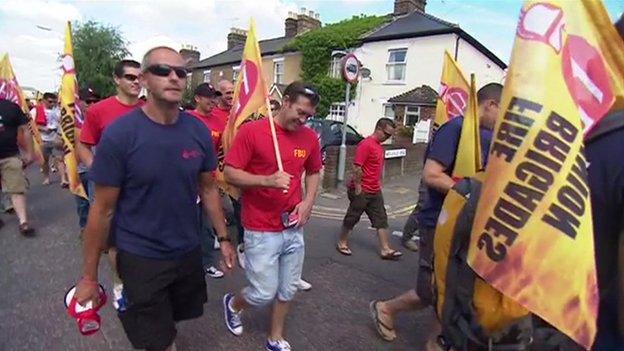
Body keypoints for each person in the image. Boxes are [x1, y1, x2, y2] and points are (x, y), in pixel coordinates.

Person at [74, 46, 235, 351]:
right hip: (140, 255)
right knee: (156, 341)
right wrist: (89, 277)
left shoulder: (197, 131)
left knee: (173, 319)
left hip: (186, 250)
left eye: (180, 72)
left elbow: (209, 188)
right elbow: (102, 211)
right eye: (163, 70)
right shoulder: (121, 134)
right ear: (146, 79)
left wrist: (224, 237)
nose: (174, 77)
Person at [368, 83, 502, 344]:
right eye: (504, 111)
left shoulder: (488, 137)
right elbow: (432, 175)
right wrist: (470, 194)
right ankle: (386, 309)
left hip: (467, 225)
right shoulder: (456, 129)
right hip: (439, 222)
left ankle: (437, 342)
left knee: (452, 291)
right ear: (491, 105)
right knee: (431, 289)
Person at [222, 81, 322, 351]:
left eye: (308, 116)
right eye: (300, 112)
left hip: (293, 226)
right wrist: (267, 180)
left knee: (288, 288)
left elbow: (314, 171)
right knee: (262, 292)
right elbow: (230, 172)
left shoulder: (309, 137)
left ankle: (274, 337)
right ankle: (233, 304)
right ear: (286, 101)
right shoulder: (253, 132)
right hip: (260, 227)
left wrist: (308, 202)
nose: (303, 120)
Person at [76, 59, 144, 310]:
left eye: (139, 77)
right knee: (114, 241)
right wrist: (95, 166)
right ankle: (121, 285)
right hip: (110, 186)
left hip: (141, 186)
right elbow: (83, 143)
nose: (136, 82)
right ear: (117, 80)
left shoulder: (149, 109)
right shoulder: (99, 111)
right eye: (130, 77)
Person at [336, 118, 403, 260]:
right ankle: (342, 242)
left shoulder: (378, 146)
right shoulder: (366, 145)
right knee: (352, 217)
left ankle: (385, 249)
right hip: (362, 189)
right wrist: (359, 188)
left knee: (381, 219)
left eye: (390, 135)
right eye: (386, 134)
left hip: (374, 190)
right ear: (378, 128)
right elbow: (357, 167)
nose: (387, 138)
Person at [188, 83, 226, 279]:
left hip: (208, 182)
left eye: (214, 97)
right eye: (208, 97)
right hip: (186, 183)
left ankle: (206, 262)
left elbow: (218, 151)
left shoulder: (219, 121)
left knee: (206, 225)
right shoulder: (186, 119)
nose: (213, 100)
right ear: (197, 98)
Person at [0, 99, 35, 235]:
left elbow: (26, 129)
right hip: (11, 155)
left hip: (10, 156)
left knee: (17, 189)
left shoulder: (10, 106)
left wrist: (30, 153)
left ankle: (23, 222)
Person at [74, 87, 100, 234]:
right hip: (77, 168)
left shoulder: (100, 118)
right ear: (79, 102)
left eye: (95, 101)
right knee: (82, 203)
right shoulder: (72, 121)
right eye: (88, 101)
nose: (92, 104)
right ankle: (84, 228)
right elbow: (60, 142)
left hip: (95, 169)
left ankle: (97, 234)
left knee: (95, 203)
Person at [32, 92, 66, 186]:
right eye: (50, 102)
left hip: (56, 138)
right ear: (44, 101)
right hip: (43, 139)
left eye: (54, 102)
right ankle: (46, 178)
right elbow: (31, 125)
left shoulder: (57, 110)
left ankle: (63, 179)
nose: (52, 104)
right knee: (44, 161)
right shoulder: (36, 110)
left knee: (60, 159)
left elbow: (63, 122)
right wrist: (43, 129)